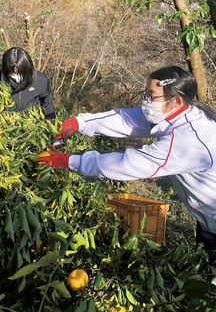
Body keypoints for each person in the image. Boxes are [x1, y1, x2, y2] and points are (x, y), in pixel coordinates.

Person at [37, 65, 216, 255]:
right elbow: (124, 119)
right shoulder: (176, 114)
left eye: (152, 96)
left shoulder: (189, 139)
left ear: (176, 101)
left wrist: (69, 161)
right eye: (145, 94)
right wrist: (78, 122)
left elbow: (129, 164)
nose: (146, 101)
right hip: (207, 221)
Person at [0, 46, 56, 119]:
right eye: (12, 73)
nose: (16, 76)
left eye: (20, 73)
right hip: (7, 121)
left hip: (32, 121)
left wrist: (49, 118)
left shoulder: (40, 79)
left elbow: (48, 102)